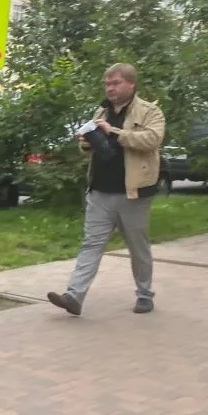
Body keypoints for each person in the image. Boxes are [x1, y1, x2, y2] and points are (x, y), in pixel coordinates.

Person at [47, 63, 166, 317]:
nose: (110, 88)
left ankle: (144, 294)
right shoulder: (101, 110)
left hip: (133, 193)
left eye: (116, 83)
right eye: (107, 84)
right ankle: (74, 296)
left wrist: (115, 132)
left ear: (131, 84)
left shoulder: (149, 111)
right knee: (91, 244)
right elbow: (95, 146)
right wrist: (87, 143)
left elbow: (152, 139)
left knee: (138, 247)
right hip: (100, 190)